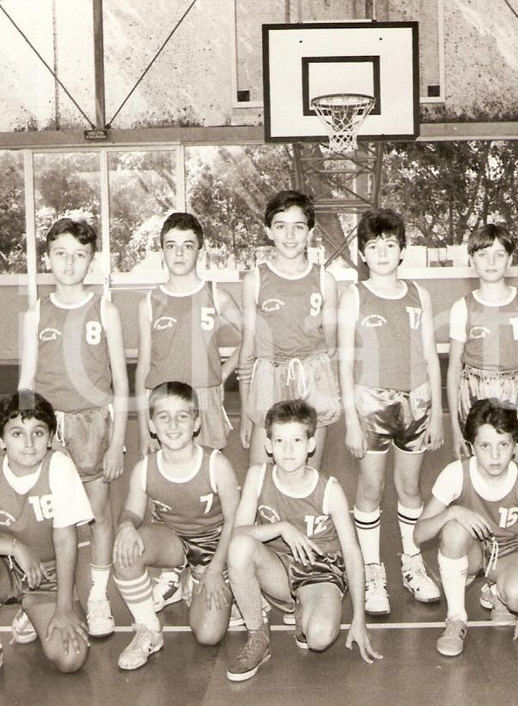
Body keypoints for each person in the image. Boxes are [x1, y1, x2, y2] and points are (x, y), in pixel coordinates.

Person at [19, 216, 129, 636]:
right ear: (48, 259)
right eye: (61, 254)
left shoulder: (105, 309)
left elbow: (120, 380)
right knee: (44, 517)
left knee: (99, 513)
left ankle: (98, 597)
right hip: (47, 429)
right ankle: (41, 599)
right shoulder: (36, 314)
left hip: (94, 424)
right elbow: (26, 380)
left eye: (79, 255)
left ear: (91, 261)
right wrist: (23, 434)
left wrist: (117, 440)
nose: (69, 263)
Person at [0, 391, 92, 693]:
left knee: (70, 658)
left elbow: (65, 541)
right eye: (17, 433)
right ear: (1, 440)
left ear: (50, 438)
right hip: (4, 571)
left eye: (38, 433)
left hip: (47, 580)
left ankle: (32, 613)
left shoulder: (59, 467)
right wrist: (15, 548)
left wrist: (64, 608)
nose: (28, 442)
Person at [225, 400, 381, 682]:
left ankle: (304, 609)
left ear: (311, 444)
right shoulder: (257, 476)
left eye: (296, 440)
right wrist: (282, 527)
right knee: (239, 548)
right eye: (280, 440)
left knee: (318, 638)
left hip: (320, 572)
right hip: (277, 569)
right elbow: (238, 533)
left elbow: (353, 555)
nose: (287, 449)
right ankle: (258, 635)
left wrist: (359, 619)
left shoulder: (328, 489)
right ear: (268, 445)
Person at [338, 207, 444, 615]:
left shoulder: (420, 294)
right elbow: (345, 362)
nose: (382, 251)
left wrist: (436, 412)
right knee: (369, 490)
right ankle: (371, 570)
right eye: (373, 245)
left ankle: (412, 563)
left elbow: (432, 357)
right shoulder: (355, 295)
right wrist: (351, 419)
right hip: (370, 402)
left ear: (402, 250)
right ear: (362, 254)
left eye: (390, 244)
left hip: (416, 400)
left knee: (411, 489)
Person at [111, 381, 241, 670]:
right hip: (175, 540)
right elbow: (132, 511)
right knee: (127, 548)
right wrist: (125, 526)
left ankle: (206, 580)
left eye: (182, 416)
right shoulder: (144, 469)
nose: (173, 424)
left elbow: (236, 522)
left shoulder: (216, 465)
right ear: (152, 425)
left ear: (196, 423)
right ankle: (148, 630)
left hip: (217, 545)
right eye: (163, 417)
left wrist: (216, 570)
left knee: (207, 634)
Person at [415, 399, 518, 656]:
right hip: (472, 552)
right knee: (453, 528)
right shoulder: (456, 474)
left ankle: (500, 592)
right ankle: (455, 619)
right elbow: (419, 534)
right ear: (472, 447)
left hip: (509, 553)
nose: (495, 456)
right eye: (485, 446)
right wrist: (452, 511)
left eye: (503, 445)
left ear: (514, 447)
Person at [446, 223, 518, 475]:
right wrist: (456, 429)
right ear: (472, 261)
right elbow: (454, 368)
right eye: (483, 254)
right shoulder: (462, 307)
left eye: (499, 254)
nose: (491, 261)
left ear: (509, 260)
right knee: (478, 478)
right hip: (476, 391)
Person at [238, 190, 341, 469]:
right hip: (268, 378)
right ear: (268, 231)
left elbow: (331, 348)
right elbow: (248, 349)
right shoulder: (255, 279)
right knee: (259, 475)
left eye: (299, 227)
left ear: (310, 232)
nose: (290, 235)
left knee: (308, 471)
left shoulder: (325, 280)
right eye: (281, 227)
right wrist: (249, 412)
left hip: (313, 378)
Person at [134, 212, 243, 455]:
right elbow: (143, 368)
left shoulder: (216, 296)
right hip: (163, 400)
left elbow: (254, 335)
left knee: (207, 474)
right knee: (165, 479)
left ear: (200, 253)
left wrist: (223, 373)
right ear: (162, 251)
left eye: (188, 246)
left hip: (205, 398)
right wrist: (144, 432)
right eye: (171, 246)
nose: (179, 253)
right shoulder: (149, 303)